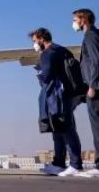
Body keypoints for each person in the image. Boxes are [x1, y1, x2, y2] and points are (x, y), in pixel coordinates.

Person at [31, 28, 83, 176]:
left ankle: (75, 164)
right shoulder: (62, 50)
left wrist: (39, 72)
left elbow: (45, 76)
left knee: (65, 129)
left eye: (35, 41)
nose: (34, 45)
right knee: (59, 129)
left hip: (57, 96)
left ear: (41, 38)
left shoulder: (48, 53)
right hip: (67, 94)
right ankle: (59, 163)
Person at [73, 8, 99, 178]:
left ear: (83, 20)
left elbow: (97, 60)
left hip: (95, 89)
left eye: (75, 19)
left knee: (97, 126)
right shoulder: (93, 35)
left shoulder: (91, 36)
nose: (74, 23)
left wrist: (93, 85)